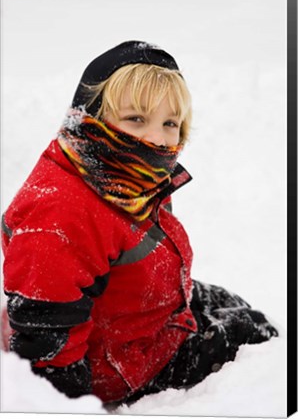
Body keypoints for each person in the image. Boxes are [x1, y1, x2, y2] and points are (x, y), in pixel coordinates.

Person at [1, 41, 278, 405]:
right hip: (120, 365)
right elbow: (46, 347)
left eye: (170, 124)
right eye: (136, 119)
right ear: (93, 116)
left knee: (237, 307)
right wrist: (70, 407)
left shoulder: (125, 173)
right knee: (255, 334)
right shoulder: (61, 212)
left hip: (143, 313)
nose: (157, 139)